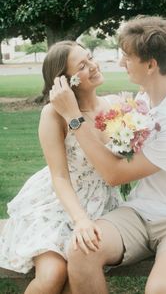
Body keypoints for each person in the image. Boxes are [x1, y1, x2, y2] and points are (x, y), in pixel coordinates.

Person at [50, 16, 166, 294]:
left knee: (162, 290)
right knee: (81, 252)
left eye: (127, 57)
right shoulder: (144, 98)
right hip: (139, 212)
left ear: (151, 65)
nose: (120, 63)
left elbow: (115, 175)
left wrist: (73, 118)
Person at [0, 41, 122, 294]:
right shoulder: (53, 114)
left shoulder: (114, 106)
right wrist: (80, 220)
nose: (93, 66)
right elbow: (59, 176)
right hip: (57, 203)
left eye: (90, 58)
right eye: (82, 65)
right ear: (64, 81)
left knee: (77, 272)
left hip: (102, 203)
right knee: (53, 274)